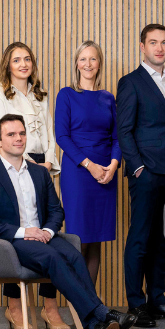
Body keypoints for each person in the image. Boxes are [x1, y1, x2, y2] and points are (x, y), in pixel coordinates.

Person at [0, 114, 137, 329]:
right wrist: (24, 231)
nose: (19, 138)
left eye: (22, 133)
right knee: (52, 258)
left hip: (44, 237)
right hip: (12, 242)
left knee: (75, 256)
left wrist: (47, 230)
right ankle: (102, 313)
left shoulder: (39, 173)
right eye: (11, 134)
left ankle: (96, 326)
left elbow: (56, 210)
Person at [0, 42, 67, 329]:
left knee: (48, 231)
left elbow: (49, 132)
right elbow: (4, 134)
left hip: (42, 167)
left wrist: (48, 164)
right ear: (8, 65)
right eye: (17, 60)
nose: (23, 64)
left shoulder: (40, 95)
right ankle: (15, 308)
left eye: (27, 59)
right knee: (15, 231)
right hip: (16, 166)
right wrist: (25, 165)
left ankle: (49, 307)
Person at [117, 23, 165, 327]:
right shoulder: (130, 82)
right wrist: (138, 168)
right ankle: (136, 305)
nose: (159, 48)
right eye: (153, 42)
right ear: (141, 46)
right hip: (145, 171)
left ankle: (157, 299)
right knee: (139, 237)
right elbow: (124, 130)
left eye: (164, 42)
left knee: (163, 238)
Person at [55, 41, 120, 285]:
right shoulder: (67, 94)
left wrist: (113, 166)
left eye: (93, 59)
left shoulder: (108, 97)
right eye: (83, 59)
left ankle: (91, 304)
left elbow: (117, 137)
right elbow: (62, 136)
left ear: (99, 63)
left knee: (96, 239)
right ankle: (80, 304)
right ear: (76, 63)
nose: (88, 64)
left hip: (106, 174)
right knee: (79, 237)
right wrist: (89, 165)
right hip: (79, 172)